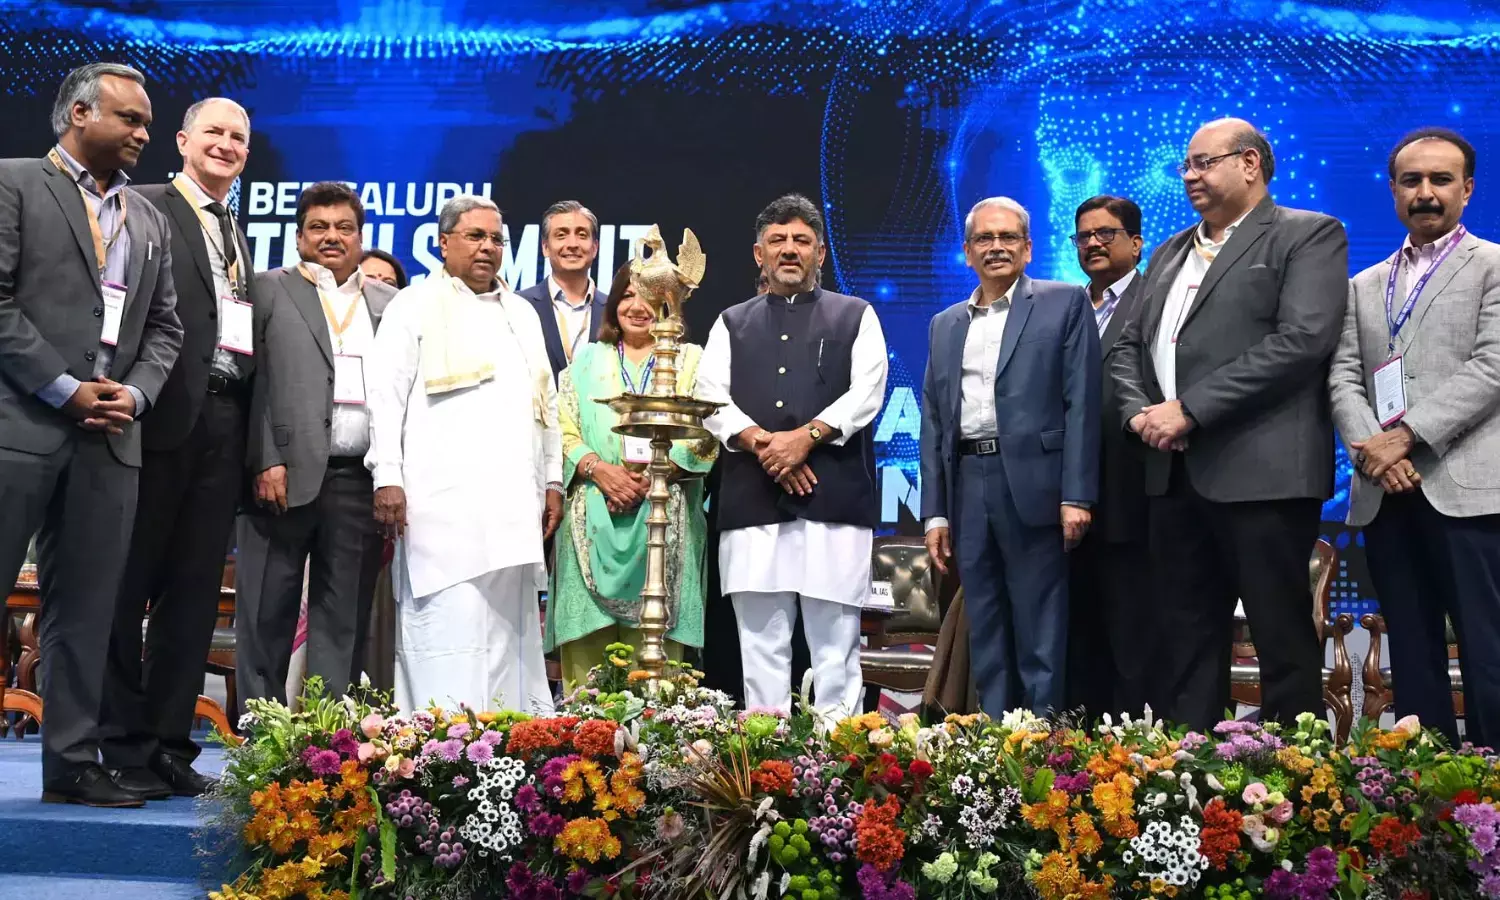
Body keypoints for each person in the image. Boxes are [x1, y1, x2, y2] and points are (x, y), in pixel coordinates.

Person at [1112, 118, 1349, 730]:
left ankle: (1295, 769)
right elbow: (1127, 347)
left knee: (1280, 635)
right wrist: (1139, 413)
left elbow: (1301, 341)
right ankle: (1191, 767)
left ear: (1249, 163)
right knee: (1186, 637)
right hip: (1172, 472)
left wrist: (1189, 409)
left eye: (1204, 162)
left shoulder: (1307, 233)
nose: (1190, 175)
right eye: (1185, 165)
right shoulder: (1170, 250)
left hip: (1262, 472)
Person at [0, 63, 183, 807]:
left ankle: (72, 764)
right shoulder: (13, 182)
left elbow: (166, 328)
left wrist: (132, 395)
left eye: (146, 123)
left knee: (86, 613)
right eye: (130, 119)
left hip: (111, 437)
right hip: (19, 426)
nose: (143, 134)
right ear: (80, 113)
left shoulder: (148, 217)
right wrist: (63, 387)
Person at [98, 97, 254, 799]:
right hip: (156, 416)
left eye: (238, 137)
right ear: (184, 140)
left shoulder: (233, 228)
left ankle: (167, 744)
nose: (226, 144)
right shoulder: (146, 205)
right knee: (128, 585)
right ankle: (119, 742)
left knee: (193, 597)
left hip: (223, 422)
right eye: (214, 132)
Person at [1329, 127, 1500, 747]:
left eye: (1441, 179)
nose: (1425, 192)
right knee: (1412, 651)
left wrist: (1404, 438)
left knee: (1487, 650)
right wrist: (1374, 454)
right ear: (1394, 190)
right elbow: (1343, 376)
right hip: (1387, 495)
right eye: (1411, 180)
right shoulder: (1363, 283)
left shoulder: (1493, 265)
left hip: (1469, 494)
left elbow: (1492, 366)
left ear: (1467, 189)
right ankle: (1427, 787)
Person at [365, 196, 562, 714]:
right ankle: (440, 747)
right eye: (475, 236)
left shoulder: (522, 312)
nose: (488, 248)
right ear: (443, 242)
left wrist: (553, 480)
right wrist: (387, 477)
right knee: (445, 627)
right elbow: (384, 397)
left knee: (507, 635)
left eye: (497, 239)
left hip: (513, 507)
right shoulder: (413, 304)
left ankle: (507, 745)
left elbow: (546, 405)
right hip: (440, 508)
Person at [697, 193, 889, 720]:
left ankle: (841, 753)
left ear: (820, 253)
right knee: (759, 645)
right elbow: (709, 398)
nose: (789, 249)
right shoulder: (731, 322)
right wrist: (766, 443)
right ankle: (766, 755)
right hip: (752, 502)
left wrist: (806, 437)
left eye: (801, 240)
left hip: (833, 500)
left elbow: (867, 392)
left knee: (836, 647)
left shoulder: (855, 315)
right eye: (777, 240)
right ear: (758, 253)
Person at [919, 197, 1099, 717]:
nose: (996, 247)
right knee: (985, 621)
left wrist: (1077, 495)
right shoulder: (945, 323)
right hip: (967, 483)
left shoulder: (1064, 303)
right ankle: (994, 738)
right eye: (984, 238)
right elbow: (934, 421)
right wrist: (935, 512)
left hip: (1037, 484)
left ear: (1028, 248)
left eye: (1007, 237)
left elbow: (1083, 403)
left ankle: (1041, 741)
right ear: (967, 252)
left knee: (1041, 625)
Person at [236, 182, 397, 705]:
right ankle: (261, 731)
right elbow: (249, 381)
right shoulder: (266, 289)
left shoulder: (390, 303)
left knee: (343, 617)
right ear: (299, 236)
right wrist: (264, 458)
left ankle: (327, 738)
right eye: (319, 227)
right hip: (280, 476)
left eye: (344, 227)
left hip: (359, 480)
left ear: (360, 236)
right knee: (266, 611)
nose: (332, 237)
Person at [545, 264, 718, 691]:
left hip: (665, 513)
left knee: (660, 670)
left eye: (651, 298)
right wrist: (599, 469)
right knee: (589, 668)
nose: (638, 307)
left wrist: (655, 476)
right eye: (627, 296)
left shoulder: (693, 361)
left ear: (670, 305)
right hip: (593, 513)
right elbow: (561, 428)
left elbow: (710, 431)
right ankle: (584, 731)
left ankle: (659, 731)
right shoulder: (586, 360)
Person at [1064, 195, 1152, 720]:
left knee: (1132, 636)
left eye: (1106, 233)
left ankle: (1134, 748)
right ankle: (1077, 752)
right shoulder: (1066, 307)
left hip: (1133, 494)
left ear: (1136, 244)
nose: (1093, 243)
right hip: (1067, 502)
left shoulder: (1156, 300)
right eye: (1084, 236)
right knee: (1078, 639)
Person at [519, 200, 608, 378]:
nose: (572, 244)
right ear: (545, 247)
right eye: (561, 235)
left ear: (595, 248)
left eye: (582, 235)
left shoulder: (614, 310)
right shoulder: (520, 305)